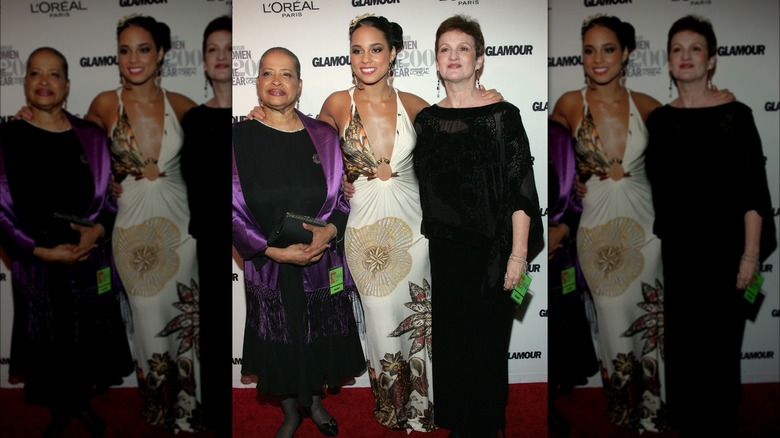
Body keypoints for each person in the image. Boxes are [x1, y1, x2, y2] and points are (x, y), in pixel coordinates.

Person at [247, 14, 502, 432]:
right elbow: (301, 144)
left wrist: (482, 100)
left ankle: (426, 404)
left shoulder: (417, 106)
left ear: (394, 53)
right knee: (382, 317)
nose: (366, 59)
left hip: (414, 228)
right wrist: (265, 119)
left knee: (421, 319)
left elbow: (462, 144)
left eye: (376, 48)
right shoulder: (335, 104)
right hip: (364, 227)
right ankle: (394, 405)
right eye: (357, 50)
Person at [412, 14, 544, 437]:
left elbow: (521, 189)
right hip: (446, 253)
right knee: (451, 347)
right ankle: (459, 424)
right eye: (445, 49)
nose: (453, 56)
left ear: (480, 59)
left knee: (488, 347)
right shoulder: (426, 123)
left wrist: (518, 256)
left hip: (494, 252)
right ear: (435, 61)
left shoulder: (502, 115)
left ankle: (488, 426)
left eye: (463, 48)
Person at [645, 15, 776, 437]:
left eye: (695, 48)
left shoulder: (736, 116)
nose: (685, 56)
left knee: (721, 351)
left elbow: (754, 192)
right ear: (668, 61)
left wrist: (750, 257)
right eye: (677, 49)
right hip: (681, 257)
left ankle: (721, 423)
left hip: (727, 256)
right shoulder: (660, 122)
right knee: (683, 351)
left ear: (712, 59)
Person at [232, 47, 366, 438]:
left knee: (317, 336)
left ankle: (316, 403)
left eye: (286, 74)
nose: (277, 82)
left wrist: (330, 231)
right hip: (269, 263)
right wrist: (270, 249)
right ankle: (291, 412)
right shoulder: (238, 139)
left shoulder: (324, 136)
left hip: (320, 260)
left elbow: (342, 198)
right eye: (268, 73)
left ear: (300, 85)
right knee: (282, 340)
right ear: (256, 82)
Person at [0, 47, 134, 438]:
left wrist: (99, 231)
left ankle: (79, 401)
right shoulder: (7, 137)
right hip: (36, 260)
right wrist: (35, 248)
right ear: (24, 82)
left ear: (67, 85)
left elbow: (110, 198)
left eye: (54, 74)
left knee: (86, 339)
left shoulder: (91, 136)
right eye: (36, 74)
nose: (45, 82)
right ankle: (62, 407)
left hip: (88, 257)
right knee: (49, 341)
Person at [549, 14, 669, 433]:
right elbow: (551, 161)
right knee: (614, 321)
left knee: (651, 324)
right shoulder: (568, 103)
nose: (598, 59)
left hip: (647, 229)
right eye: (589, 49)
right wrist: (569, 187)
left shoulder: (651, 107)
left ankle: (654, 411)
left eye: (608, 48)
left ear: (627, 54)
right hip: (597, 230)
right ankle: (623, 408)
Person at [85, 14, 202, 433]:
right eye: (125, 49)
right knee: (150, 319)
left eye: (144, 48)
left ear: (162, 53)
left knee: (187, 322)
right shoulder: (103, 103)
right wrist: (105, 186)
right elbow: (78, 157)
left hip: (182, 226)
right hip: (133, 229)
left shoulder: (186, 106)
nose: (133, 59)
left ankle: (190, 408)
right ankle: (159, 408)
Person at [179, 15, 232, 435]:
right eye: (212, 49)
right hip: (211, 240)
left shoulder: (254, 116)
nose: (220, 56)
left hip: (255, 236)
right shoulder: (193, 119)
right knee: (213, 331)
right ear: (202, 59)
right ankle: (214, 414)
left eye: (229, 48)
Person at [547, 119, 599, 437]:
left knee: (560, 323)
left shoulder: (560, 137)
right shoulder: (502, 126)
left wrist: (562, 230)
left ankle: (551, 394)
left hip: (560, 254)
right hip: (516, 253)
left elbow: (581, 196)